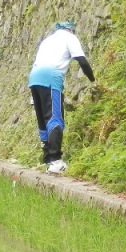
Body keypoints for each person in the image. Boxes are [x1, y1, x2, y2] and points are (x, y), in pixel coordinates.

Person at [28, 20, 94, 174]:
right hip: (51, 77)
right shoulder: (69, 37)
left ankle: (48, 160)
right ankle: (56, 161)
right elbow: (81, 60)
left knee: (43, 121)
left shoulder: (48, 40)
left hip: (34, 78)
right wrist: (93, 81)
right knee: (55, 119)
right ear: (71, 30)